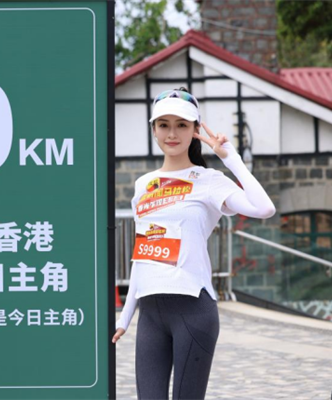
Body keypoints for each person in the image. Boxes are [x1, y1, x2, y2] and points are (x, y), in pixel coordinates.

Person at [111, 87, 276, 400]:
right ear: (154, 129)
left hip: (193, 309)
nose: (172, 134)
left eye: (182, 125)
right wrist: (125, 316)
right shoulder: (143, 185)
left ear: (196, 130)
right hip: (150, 314)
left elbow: (264, 208)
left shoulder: (208, 180)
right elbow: (143, 255)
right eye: (164, 125)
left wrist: (230, 158)